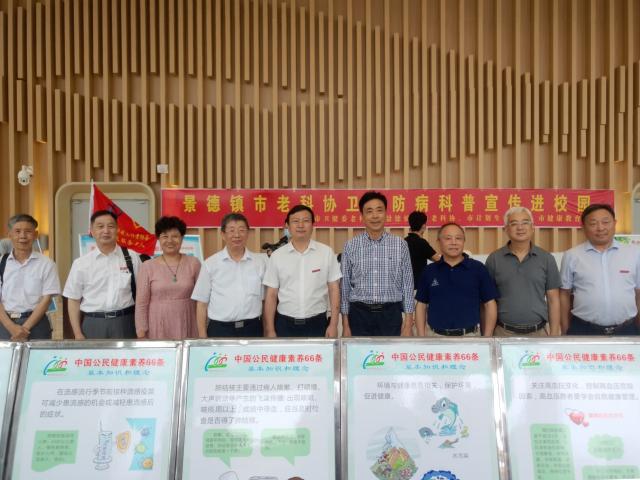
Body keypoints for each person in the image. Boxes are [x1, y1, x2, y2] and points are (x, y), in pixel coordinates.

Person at [340, 191, 414, 336]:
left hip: (390, 314)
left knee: (390, 351)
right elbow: (345, 286)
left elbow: (407, 284)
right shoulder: (351, 246)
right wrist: (345, 324)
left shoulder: (400, 245)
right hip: (359, 314)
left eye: (379, 210)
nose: (375, 216)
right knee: (359, 352)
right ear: (362, 216)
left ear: (386, 214)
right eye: (369, 211)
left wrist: (408, 322)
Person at [560, 204, 640, 335]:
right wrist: (564, 329)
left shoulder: (634, 253)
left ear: (615, 223)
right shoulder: (572, 256)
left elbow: (638, 293)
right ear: (583, 227)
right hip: (583, 329)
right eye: (593, 223)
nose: (600, 228)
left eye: (606, 222)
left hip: (626, 329)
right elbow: (564, 294)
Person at [262, 205, 341, 337]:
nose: (300, 225)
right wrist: (270, 329)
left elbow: (334, 290)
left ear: (312, 225)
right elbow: (271, 295)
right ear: (287, 226)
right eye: (295, 221)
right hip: (285, 324)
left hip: (317, 323)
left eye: (306, 220)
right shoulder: (277, 256)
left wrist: (333, 324)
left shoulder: (326, 253)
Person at [64, 210, 142, 339]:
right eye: (100, 226)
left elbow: (142, 294)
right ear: (92, 231)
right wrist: (77, 333)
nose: (106, 231)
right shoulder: (81, 263)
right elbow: (73, 300)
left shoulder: (132, 257)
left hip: (125, 322)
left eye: (110, 226)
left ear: (117, 229)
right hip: (93, 323)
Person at [485, 207, 561, 336]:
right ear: (505, 229)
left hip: (538, 333)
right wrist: (488, 335)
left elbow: (553, 299)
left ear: (533, 227)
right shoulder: (494, 259)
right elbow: (488, 301)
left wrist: (554, 335)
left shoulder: (546, 258)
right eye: (514, 223)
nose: (520, 228)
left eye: (525, 222)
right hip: (503, 332)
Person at [415, 222, 498, 337]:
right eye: (448, 238)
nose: (453, 242)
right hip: (436, 336)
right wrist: (421, 336)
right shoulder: (429, 271)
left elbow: (490, 303)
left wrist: (487, 336)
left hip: (470, 337)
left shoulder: (478, 269)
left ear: (464, 241)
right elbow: (421, 305)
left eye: (458, 238)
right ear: (439, 242)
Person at [191, 213, 267, 338]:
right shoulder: (210, 264)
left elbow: (265, 301)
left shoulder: (259, 263)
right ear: (223, 235)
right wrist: (202, 337)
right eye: (231, 230)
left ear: (248, 233)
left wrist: (267, 329)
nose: (237, 235)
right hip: (220, 330)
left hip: (253, 328)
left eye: (241, 230)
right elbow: (201, 303)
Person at [135, 216, 201, 339]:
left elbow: (201, 299)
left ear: (182, 238)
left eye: (175, 236)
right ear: (158, 239)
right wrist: (141, 333)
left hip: (187, 321)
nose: (170, 240)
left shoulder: (194, 263)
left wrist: (202, 328)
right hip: (157, 323)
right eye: (165, 236)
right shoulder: (147, 266)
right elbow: (141, 303)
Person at [0, 214, 60, 340]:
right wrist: (11, 327)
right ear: (9, 234)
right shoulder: (1, 262)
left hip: (37, 324)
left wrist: (25, 328)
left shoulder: (47, 264)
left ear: (35, 234)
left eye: (28, 231)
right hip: (4, 323)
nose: (22, 236)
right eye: (17, 231)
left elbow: (46, 300)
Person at [405, 211, 440, 286]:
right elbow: (438, 260)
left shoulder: (403, 242)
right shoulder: (422, 243)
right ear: (423, 226)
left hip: (405, 285)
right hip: (419, 286)